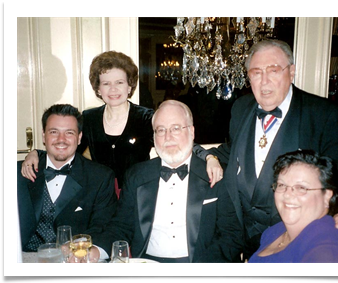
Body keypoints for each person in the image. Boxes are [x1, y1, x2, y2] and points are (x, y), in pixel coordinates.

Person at [199, 39, 338, 259]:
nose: (264, 81)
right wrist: (209, 155)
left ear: (291, 72)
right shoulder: (241, 108)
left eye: (273, 70)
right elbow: (232, 151)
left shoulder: (324, 114)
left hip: (293, 239)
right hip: (241, 239)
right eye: (256, 73)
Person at [89, 100, 243, 263]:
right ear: (154, 136)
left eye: (176, 128)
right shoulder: (136, 175)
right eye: (160, 130)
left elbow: (232, 235)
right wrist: (96, 251)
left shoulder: (217, 174)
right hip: (146, 264)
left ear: (191, 132)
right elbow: (121, 226)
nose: (167, 137)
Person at [21, 51, 155, 192]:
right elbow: (68, 148)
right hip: (100, 195)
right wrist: (36, 153)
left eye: (119, 82)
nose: (113, 89)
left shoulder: (146, 118)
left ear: (129, 86)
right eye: (106, 83)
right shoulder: (89, 118)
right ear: (98, 89)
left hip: (138, 194)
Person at [17, 104, 118, 253]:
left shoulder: (100, 177)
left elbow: (103, 227)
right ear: (44, 136)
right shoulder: (17, 172)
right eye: (53, 132)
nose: (61, 139)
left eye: (69, 133)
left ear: (79, 137)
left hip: (74, 260)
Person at [248, 149, 338, 262]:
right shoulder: (274, 231)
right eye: (282, 185)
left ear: (326, 196)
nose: (287, 194)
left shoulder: (330, 246)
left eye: (301, 188)